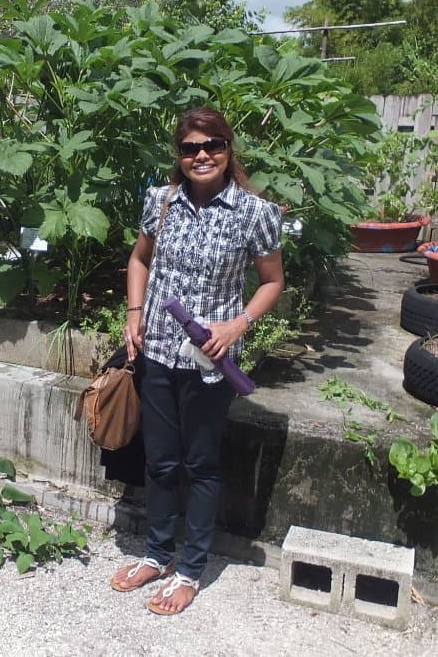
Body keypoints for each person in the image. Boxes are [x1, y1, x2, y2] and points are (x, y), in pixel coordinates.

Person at [109, 107, 284, 615]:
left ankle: (190, 569)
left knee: (200, 465)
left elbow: (272, 282)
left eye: (212, 146)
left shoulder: (254, 212)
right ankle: (159, 555)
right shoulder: (160, 202)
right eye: (191, 148)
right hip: (159, 351)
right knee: (160, 461)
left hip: (211, 361)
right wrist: (134, 312)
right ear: (179, 155)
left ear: (229, 151)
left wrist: (237, 325)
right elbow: (140, 259)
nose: (202, 155)